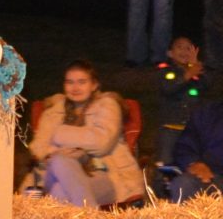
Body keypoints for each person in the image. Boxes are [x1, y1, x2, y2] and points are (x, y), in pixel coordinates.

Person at [28, 60, 145, 208]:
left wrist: (59, 134)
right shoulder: (53, 112)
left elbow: (101, 142)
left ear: (94, 85)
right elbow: (38, 147)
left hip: (104, 175)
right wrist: (60, 152)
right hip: (53, 173)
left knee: (59, 193)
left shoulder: (107, 105)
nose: (75, 87)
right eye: (70, 82)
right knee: (60, 161)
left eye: (82, 82)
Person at [158, 68, 223, 199]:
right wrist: (193, 163)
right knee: (183, 184)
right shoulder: (210, 113)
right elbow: (186, 145)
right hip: (213, 178)